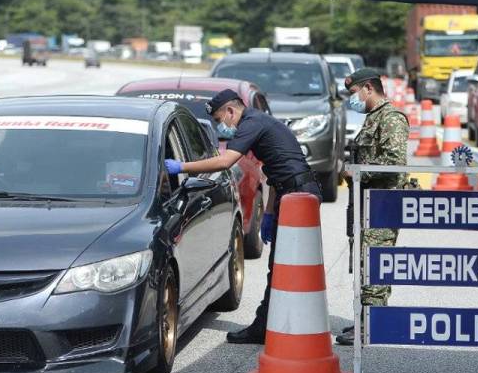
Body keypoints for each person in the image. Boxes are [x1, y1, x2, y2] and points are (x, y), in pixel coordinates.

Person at [164, 88, 322, 345]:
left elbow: (225, 162)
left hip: (298, 193)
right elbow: (274, 173)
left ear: (230, 110)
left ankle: (270, 327)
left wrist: (181, 166)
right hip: (292, 191)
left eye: (219, 119)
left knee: (287, 265)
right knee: (282, 264)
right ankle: (273, 324)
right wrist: (269, 212)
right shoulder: (259, 122)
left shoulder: (251, 122)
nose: (220, 126)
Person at [336, 68, 409, 346]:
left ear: (368, 88)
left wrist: (357, 172)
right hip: (368, 202)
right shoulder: (371, 119)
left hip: (383, 203)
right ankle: (366, 320)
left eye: (354, 93)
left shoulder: (390, 119)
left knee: (375, 263)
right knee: (365, 262)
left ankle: (371, 324)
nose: (351, 99)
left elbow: (395, 162)